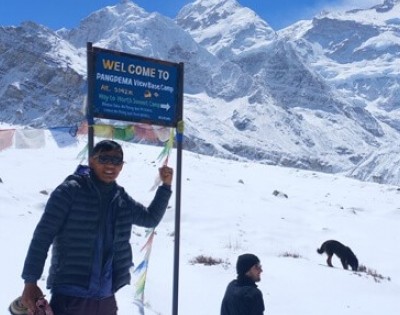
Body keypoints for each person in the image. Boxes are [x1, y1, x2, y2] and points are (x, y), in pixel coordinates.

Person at [18, 139, 173, 315]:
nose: (110, 165)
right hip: (70, 297)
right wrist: (30, 281)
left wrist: (165, 186)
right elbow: (43, 236)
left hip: (106, 299)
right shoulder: (70, 191)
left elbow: (150, 219)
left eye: (116, 161)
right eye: (104, 159)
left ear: (121, 166)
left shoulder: (120, 199)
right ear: (91, 161)